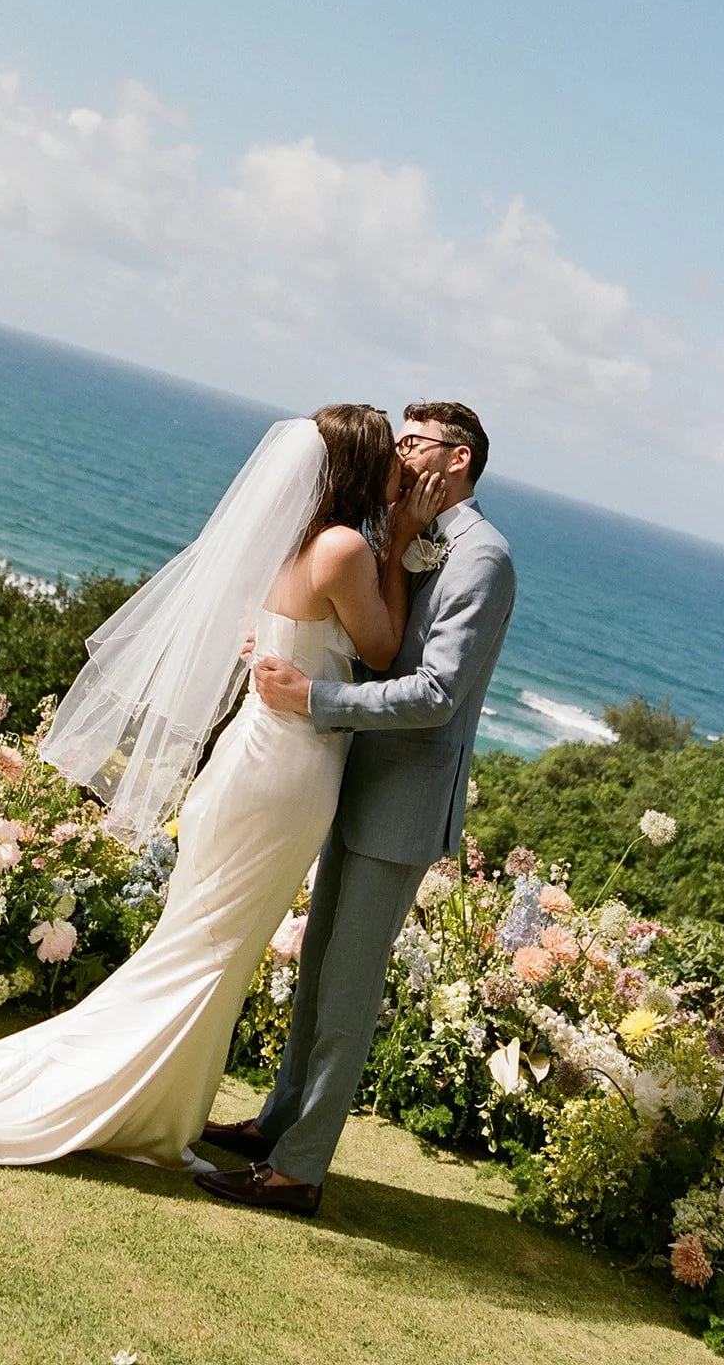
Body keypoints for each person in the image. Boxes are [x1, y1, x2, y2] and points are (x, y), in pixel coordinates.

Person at [0, 406, 443, 1175]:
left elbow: (295, 637)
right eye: (391, 452)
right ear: (361, 464)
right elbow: (386, 648)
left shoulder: (294, 539)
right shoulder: (346, 547)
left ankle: (158, 1103)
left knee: (205, 939)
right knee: (212, 945)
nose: (403, 464)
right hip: (284, 770)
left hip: (257, 761)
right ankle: (128, 1104)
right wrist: (395, 546)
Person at [196, 400, 515, 1216]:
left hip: (399, 798)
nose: (399, 455)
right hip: (346, 774)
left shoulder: (481, 558)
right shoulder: (398, 533)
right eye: (398, 441)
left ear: (457, 461)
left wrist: (314, 695)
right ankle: (275, 1126)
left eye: (413, 444)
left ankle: (299, 1170)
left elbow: (437, 693)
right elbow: (369, 637)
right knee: (318, 971)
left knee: (346, 987)